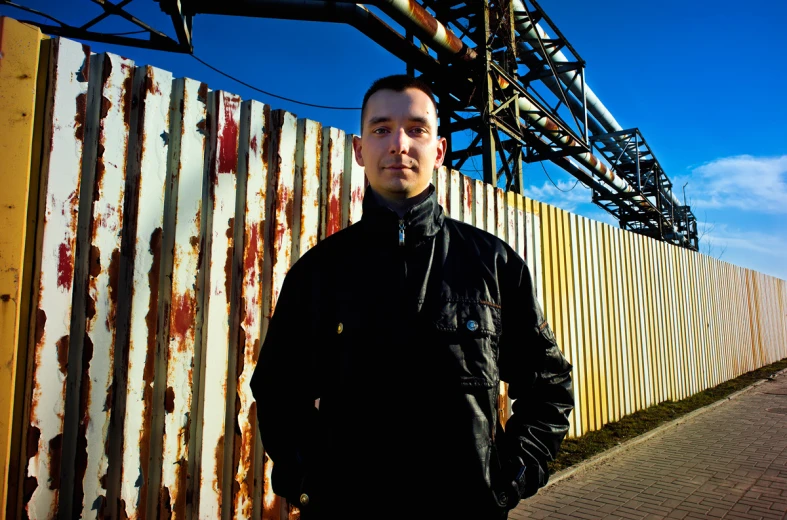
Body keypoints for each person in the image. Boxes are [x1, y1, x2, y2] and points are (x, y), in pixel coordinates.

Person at [250, 74, 574, 519]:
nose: (399, 144)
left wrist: (510, 478)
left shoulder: (493, 266)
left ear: (438, 150)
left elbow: (549, 385)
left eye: (417, 129)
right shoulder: (318, 273)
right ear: (361, 149)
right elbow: (277, 392)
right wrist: (311, 484)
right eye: (381, 129)